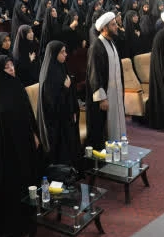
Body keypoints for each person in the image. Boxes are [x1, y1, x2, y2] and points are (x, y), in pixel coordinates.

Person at [0, 55, 41, 237]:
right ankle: (18, 222)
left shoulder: (16, 85)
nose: (12, 69)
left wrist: (34, 133)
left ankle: (32, 214)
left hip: (24, 141)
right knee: (15, 184)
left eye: (12, 65)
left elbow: (27, 113)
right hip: (8, 149)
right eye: (7, 67)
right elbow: (0, 124)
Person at [85, 12, 126, 150]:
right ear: (104, 28)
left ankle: (118, 147)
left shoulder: (112, 43)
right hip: (105, 96)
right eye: (113, 25)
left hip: (115, 92)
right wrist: (102, 98)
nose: (116, 27)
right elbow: (94, 75)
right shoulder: (96, 47)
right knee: (104, 127)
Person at [37, 40, 81, 165]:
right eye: (62, 52)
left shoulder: (62, 67)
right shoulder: (48, 76)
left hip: (66, 116)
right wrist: (65, 88)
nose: (65, 54)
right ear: (54, 54)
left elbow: (71, 92)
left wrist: (73, 110)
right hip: (56, 123)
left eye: (65, 51)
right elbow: (52, 104)